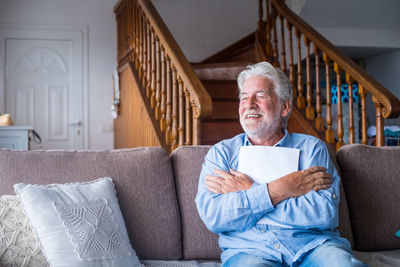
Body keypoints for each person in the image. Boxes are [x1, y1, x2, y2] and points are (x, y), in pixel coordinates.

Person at [195, 62, 368, 267]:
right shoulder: (221, 154)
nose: (249, 103)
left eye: (260, 96)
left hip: (314, 247)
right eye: (243, 97)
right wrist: (282, 188)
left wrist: (250, 191)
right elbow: (215, 217)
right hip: (250, 251)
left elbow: (323, 214)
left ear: (284, 107)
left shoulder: (312, 149)